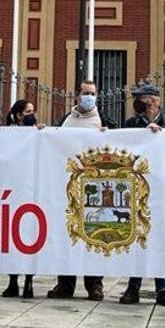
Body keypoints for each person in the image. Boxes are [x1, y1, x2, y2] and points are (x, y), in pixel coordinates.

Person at [119, 83, 165, 307]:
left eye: (145, 99)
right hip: (136, 192)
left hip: (164, 193)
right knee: (136, 238)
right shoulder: (131, 124)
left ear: (156, 101)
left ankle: (163, 288)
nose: (141, 103)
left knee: (162, 240)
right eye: (138, 99)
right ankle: (133, 287)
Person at [49, 80, 106, 301]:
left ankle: (95, 285)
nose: (89, 97)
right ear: (77, 96)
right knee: (66, 236)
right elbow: (53, 141)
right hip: (67, 187)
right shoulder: (66, 120)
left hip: (93, 188)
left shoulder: (105, 121)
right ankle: (65, 284)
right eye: (85, 93)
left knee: (94, 234)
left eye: (92, 93)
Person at [2, 98, 39, 299]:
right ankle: (13, 281)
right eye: (27, 112)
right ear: (17, 115)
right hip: (11, 191)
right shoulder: (6, 133)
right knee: (12, 237)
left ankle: (29, 281)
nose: (31, 115)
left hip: (31, 191)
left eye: (33, 111)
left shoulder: (38, 134)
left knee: (29, 237)